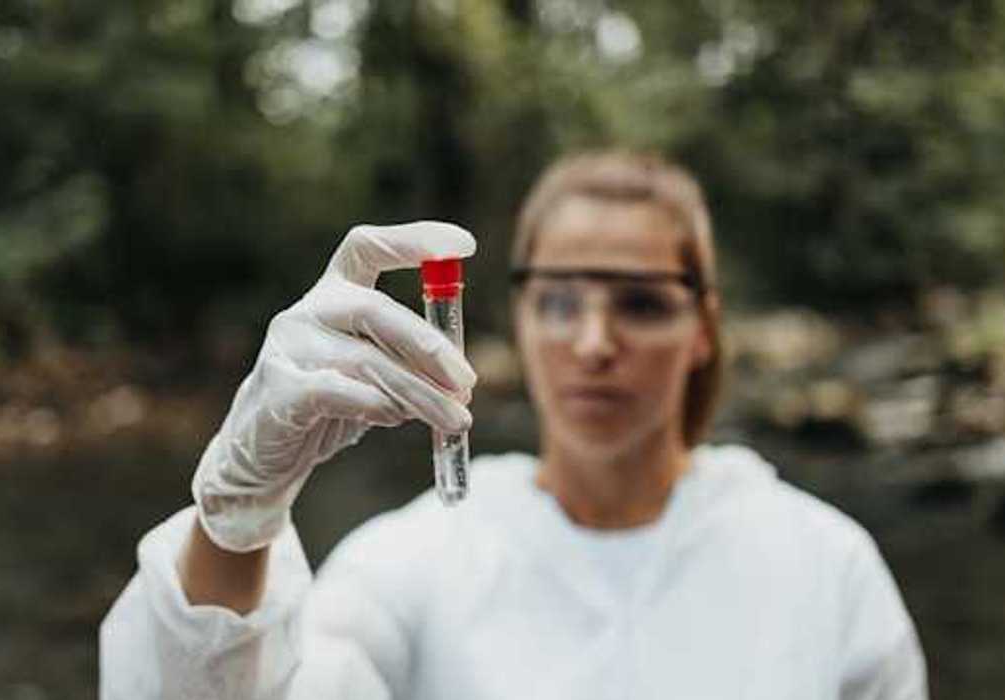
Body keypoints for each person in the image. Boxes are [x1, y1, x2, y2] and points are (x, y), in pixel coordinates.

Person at [100, 151, 928, 699]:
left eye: (639, 302)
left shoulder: (824, 564)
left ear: (703, 328)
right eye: (560, 299)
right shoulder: (416, 558)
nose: (594, 343)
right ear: (520, 315)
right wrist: (238, 520)